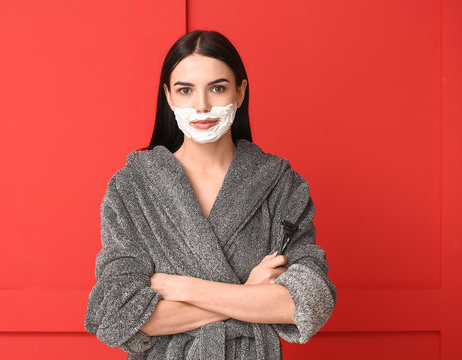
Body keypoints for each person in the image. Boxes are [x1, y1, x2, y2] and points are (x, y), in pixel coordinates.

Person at [84, 30, 336, 360]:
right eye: (185, 90)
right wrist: (248, 295)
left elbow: (308, 301)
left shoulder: (280, 185)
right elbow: (117, 315)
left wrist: (183, 288)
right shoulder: (132, 187)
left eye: (217, 88)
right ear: (169, 97)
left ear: (241, 91)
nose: (202, 105)